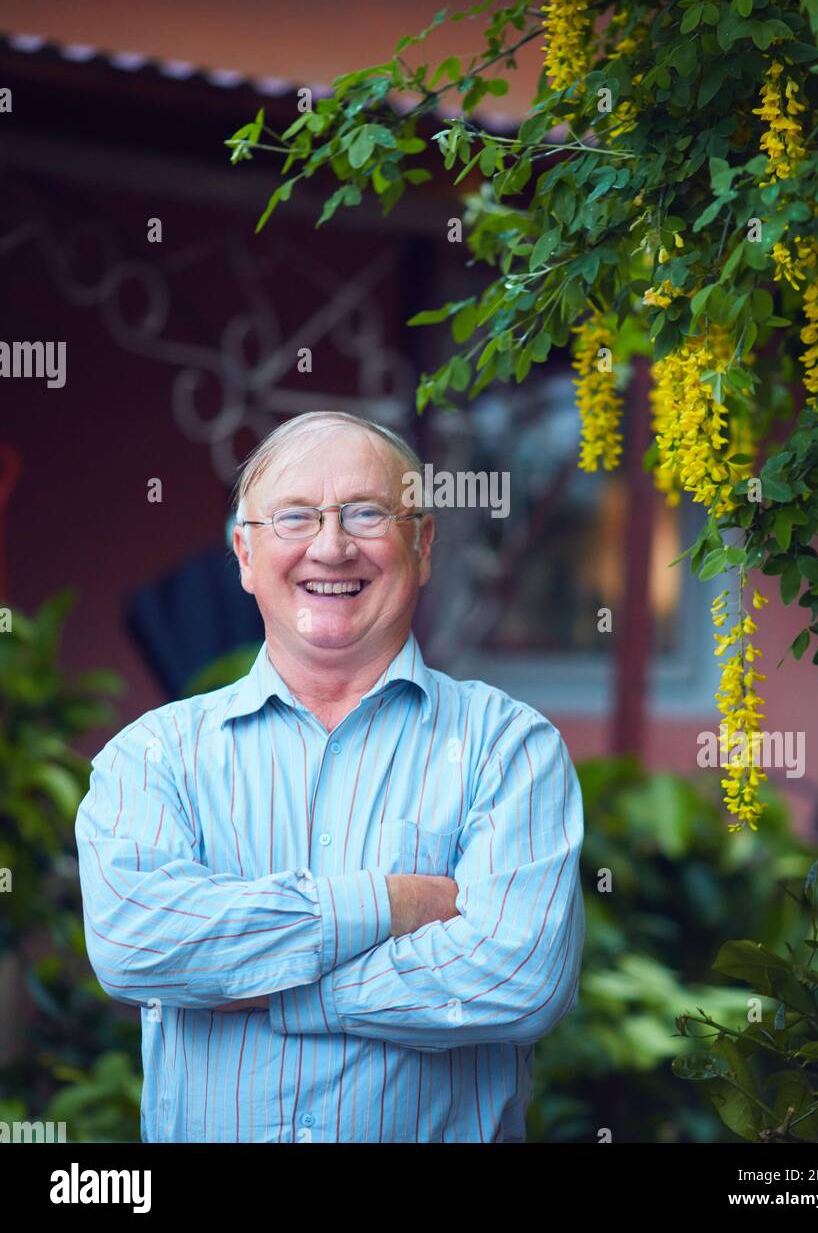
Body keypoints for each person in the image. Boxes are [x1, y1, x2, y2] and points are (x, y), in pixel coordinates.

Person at [75, 410, 585, 1143]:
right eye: (294, 518)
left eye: (367, 513)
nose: (331, 546)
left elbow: (516, 979)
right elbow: (137, 943)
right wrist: (390, 904)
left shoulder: (507, 748)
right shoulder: (153, 756)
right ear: (244, 554)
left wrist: (267, 988)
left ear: (423, 543)